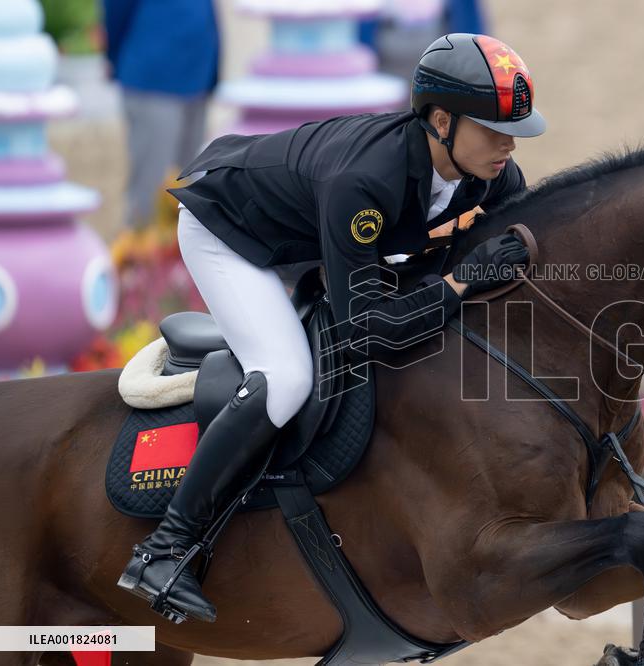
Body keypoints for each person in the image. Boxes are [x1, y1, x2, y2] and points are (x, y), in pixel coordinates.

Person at [116, 33, 544, 623]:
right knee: (288, 377)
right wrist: (458, 284)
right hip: (230, 232)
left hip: (306, 227)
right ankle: (164, 549)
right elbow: (366, 331)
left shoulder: (490, 172)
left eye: (514, 129)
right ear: (441, 120)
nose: (508, 143)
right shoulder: (366, 183)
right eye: (493, 128)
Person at [101, 0, 220, 231]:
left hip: (198, 74)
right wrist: (115, 56)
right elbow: (116, 10)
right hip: (153, 77)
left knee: (192, 188)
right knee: (150, 188)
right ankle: (137, 260)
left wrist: (213, 68)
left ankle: (182, 261)